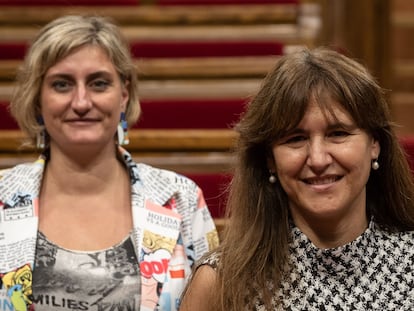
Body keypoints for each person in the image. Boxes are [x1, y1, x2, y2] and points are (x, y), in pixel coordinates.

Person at [0, 15, 219, 311]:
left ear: (124, 95)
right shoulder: (3, 198)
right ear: (38, 99)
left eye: (99, 84)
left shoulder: (181, 198)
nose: (80, 102)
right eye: (62, 85)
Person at [179, 47, 414, 310]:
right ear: (270, 158)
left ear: (375, 144)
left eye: (338, 134)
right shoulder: (221, 284)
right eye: (296, 139)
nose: (318, 159)